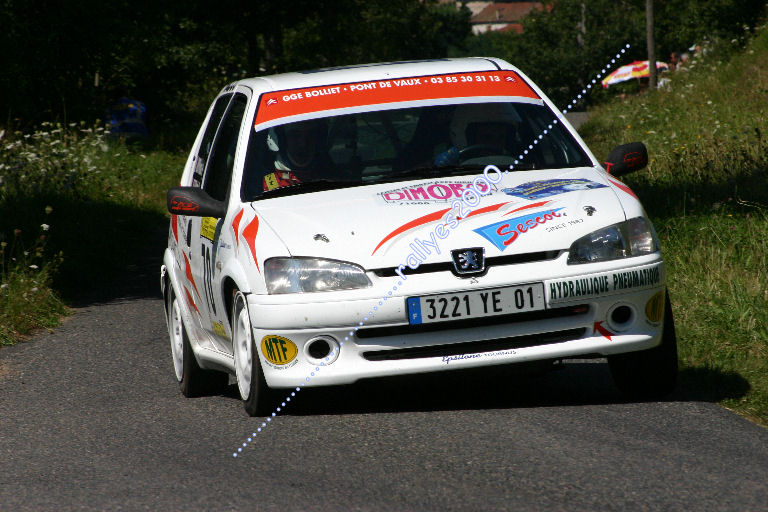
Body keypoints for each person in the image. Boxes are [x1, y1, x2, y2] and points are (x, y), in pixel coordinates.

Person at [262, 119, 333, 191]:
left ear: (319, 140)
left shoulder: (333, 178)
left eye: (310, 135)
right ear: (281, 140)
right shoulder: (269, 187)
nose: (303, 144)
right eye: (295, 135)